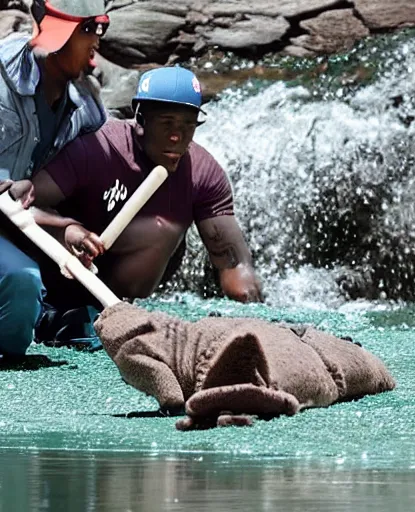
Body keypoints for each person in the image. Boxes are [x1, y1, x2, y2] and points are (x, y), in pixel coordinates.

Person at [28, 66, 263, 350]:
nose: (177, 137)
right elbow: (24, 206)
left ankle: (108, 312)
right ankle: (52, 313)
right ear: (140, 117)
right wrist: (67, 232)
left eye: (188, 125)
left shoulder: (203, 173)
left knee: (162, 229)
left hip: (124, 288)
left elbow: (234, 263)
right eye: (167, 123)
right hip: (61, 271)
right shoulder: (98, 147)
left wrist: (256, 318)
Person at [0, 0, 110, 358]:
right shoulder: (1, 75)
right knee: (21, 282)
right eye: (89, 30)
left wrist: (68, 230)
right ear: (61, 35)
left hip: (19, 226)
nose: (98, 42)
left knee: (21, 312)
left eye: (101, 28)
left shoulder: (87, 108)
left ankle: (46, 316)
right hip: (14, 229)